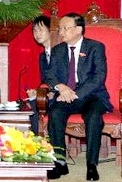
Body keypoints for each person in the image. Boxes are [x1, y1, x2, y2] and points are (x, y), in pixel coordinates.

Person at [45, 13, 112, 181]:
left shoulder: (95, 47)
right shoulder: (57, 50)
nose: (61, 32)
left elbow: (99, 77)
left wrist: (74, 93)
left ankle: (91, 165)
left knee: (94, 116)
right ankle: (60, 163)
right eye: (60, 28)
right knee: (55, 113)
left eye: (65, 28)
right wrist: (61, 87)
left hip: (92, 96)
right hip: (65, 96)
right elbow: (50, 75)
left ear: (79, 29)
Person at [26, 15, 53, 135]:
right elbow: (46, 80)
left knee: (34, 105)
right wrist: (36, 92)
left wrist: (52, 92)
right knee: (26, 104)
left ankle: (41, 145)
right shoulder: (43, 56)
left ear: (50, 30)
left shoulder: (61, 51)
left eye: (41, 29)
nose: (37, 33)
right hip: (49, 93)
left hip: (62, 94)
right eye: (35, 30)